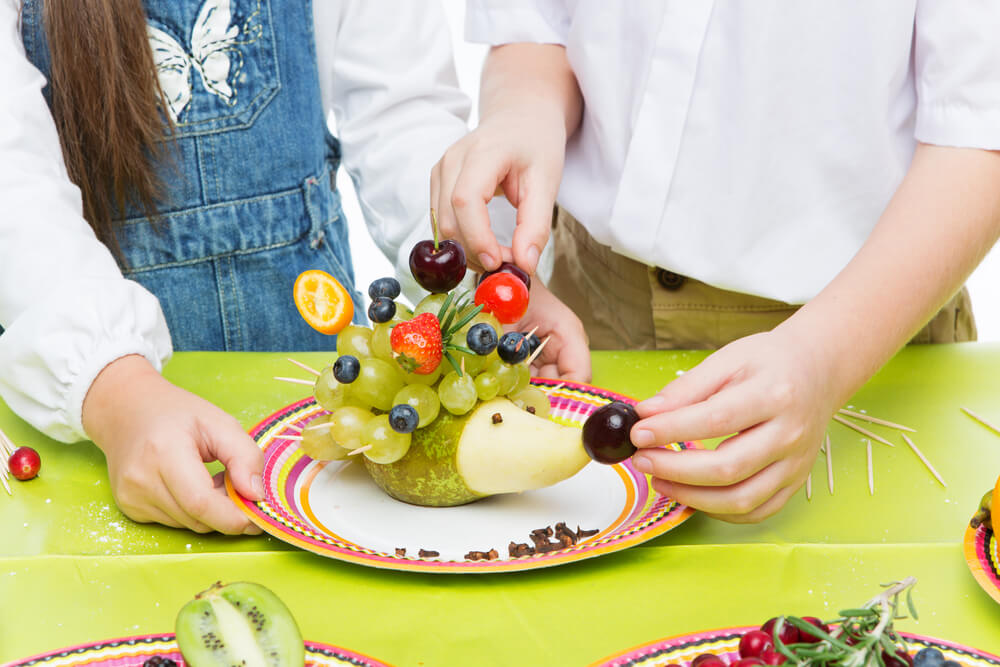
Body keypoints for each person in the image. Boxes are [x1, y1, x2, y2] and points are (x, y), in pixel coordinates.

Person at [432, 2, 1000, 522]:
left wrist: (823, 359)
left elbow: (980, 128)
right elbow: (538, 24)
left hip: (864, 344)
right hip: (585, 318)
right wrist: (525, 110)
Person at [0, 0, 477, 534]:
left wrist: (473, 282)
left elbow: (401, 113)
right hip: (98, 416)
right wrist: (117, 393)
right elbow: (12, 182)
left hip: (323, 417)